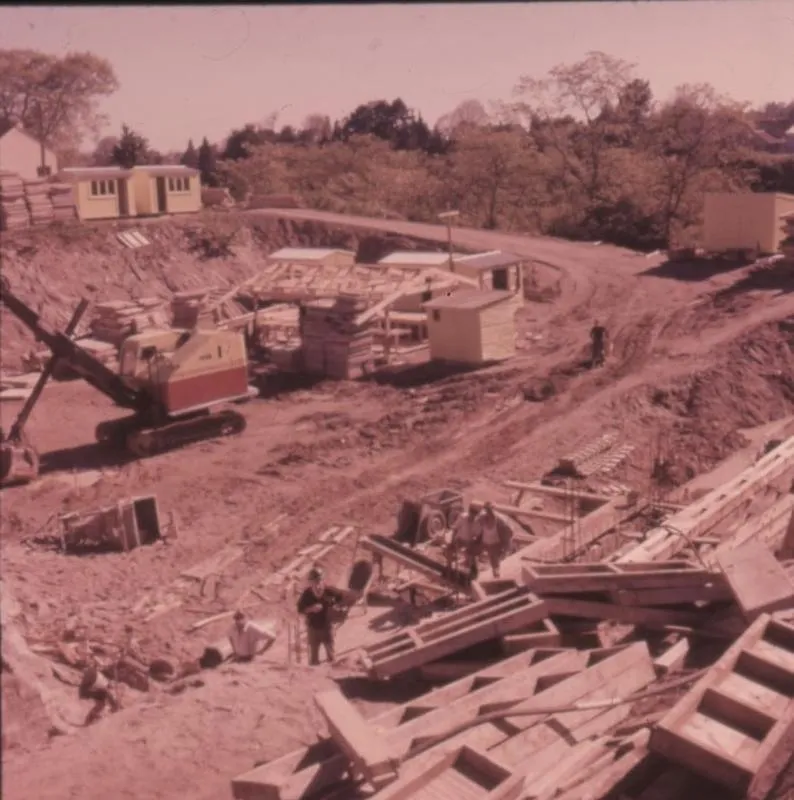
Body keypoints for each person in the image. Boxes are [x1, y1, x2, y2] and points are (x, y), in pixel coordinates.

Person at [296, 567, 345, 666]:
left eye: (319, 581)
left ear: (323, 580)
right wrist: (311, 609)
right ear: (310, 583)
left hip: (327, 628)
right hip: (312, 629)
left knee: (331, 656)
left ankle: (332, 671)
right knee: (313, 659)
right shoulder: (306, 594)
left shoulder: (330, 591)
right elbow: (300, 609)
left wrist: (337, 607)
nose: (317, 585)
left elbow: (342, 598)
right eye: (314, 582)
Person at [78, 660, 120, 726]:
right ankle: (114, 708)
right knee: (102, 702)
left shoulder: (99, 676)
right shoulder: (99, 677)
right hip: (91, 687)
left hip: (92, 687)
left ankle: (89, 720)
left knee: (101, 704)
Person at [446, 506, 481, 577]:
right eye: (471, 514)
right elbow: (455, 529)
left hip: (469, 542)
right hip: (459, 539)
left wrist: (474, 545)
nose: (472, 517)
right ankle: (448, 570)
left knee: (472, 556)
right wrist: (452, 541)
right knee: (449, 550)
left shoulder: (477, 523)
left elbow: (478, 536)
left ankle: (473, 572)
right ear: (469, 512)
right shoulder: (462, 517)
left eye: (475, 516)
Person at [478, 502, 503, 578]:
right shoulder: (484, 517)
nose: (489, 511)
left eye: (489, 509)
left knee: (494, 557)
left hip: (494, 541)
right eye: (487, 509)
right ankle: (495, 571)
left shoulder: (496, 518)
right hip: (488, 541)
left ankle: (496, 571)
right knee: (492, 557)